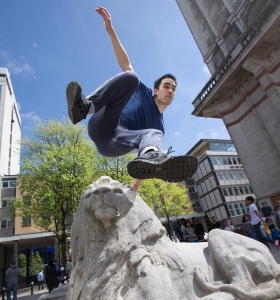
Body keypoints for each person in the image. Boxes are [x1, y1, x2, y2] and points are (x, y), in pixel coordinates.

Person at [66, 7, 198, 193]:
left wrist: (135, 186)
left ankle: (153, 157)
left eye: (174, 89)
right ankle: (85, 108)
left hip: (113, 144)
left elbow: (144, 163)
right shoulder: (143, 91)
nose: (170, 91)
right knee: (131, 76)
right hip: (104, 122)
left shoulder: (157, 129)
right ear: (156, 90)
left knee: (154, 137)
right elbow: (125, 63)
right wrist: (110, 30)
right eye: (167, 86)